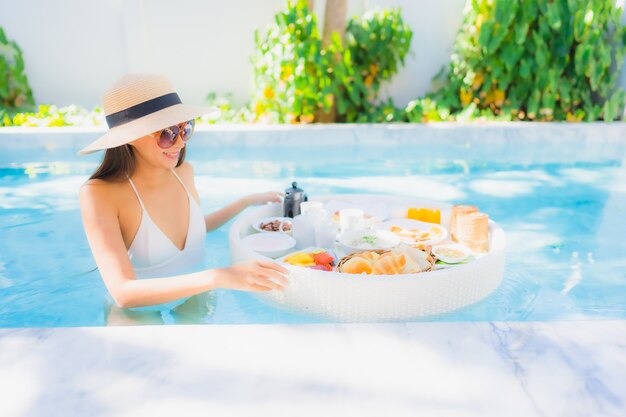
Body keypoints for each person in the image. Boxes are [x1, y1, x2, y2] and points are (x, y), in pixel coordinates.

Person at [79, 74, 289, 322]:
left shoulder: (184, 173)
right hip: (136, 312)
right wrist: (219, 276)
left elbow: (198, 226)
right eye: (168, 132)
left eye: (185, 128)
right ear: (131, 137)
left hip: (196, 296)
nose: (180, 141)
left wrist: (247, 200)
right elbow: (124, 292)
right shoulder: (99, 193)